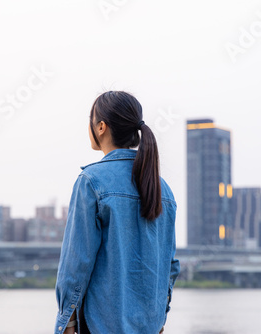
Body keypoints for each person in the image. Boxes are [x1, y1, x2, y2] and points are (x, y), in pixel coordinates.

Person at [53, 91, 180, 334]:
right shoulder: (163, 189)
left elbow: (76, 263)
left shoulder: (91, 182)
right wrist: (160, 318)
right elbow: (170, 265)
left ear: (101, 127)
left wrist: (67, 323)